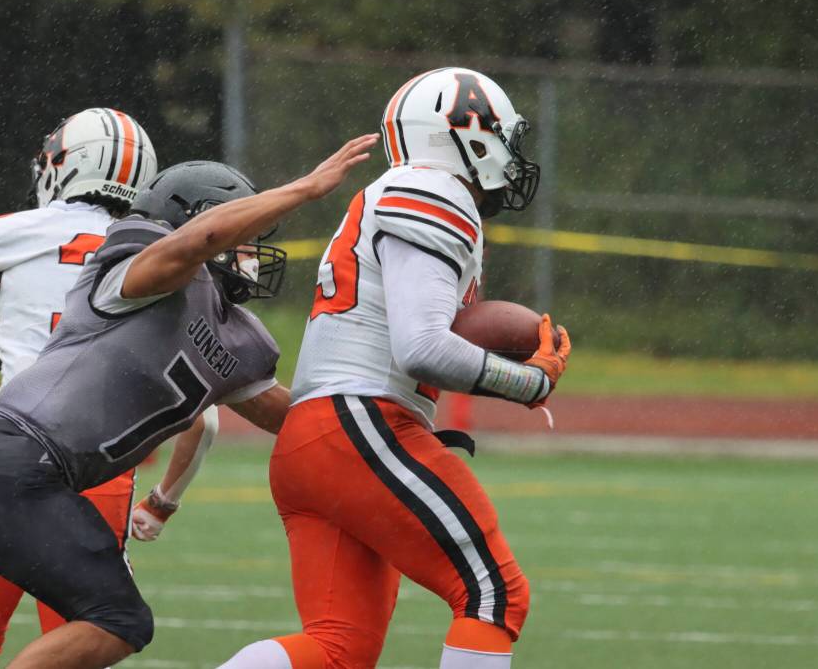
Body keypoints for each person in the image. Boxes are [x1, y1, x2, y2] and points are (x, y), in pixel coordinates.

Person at [0, 133, 379, 669]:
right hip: (18, 462)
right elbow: (193, 245)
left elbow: (294, 419)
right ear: (196, 218)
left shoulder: (240, 336)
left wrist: (386, 420)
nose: (255, 252)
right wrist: (302, 189)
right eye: (248, 234)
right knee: (118, 618)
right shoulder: (136, 258)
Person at [219, 68, 571, 669]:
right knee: (494, 594)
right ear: (463, 134)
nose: (511, 154)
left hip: (317, 438)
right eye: (502, 136)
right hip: (365, 424)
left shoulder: (401, 187)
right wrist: (528, 381)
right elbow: (423, 348)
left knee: (337, 650)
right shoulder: (435, 188)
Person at [0, 108, 218, 669]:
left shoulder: (5, 233)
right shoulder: (153, 253)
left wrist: (12, 348)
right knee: (90, 629)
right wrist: (163, 504)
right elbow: (201, 420)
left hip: (1, 457)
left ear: (69, 165)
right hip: (97, 468)